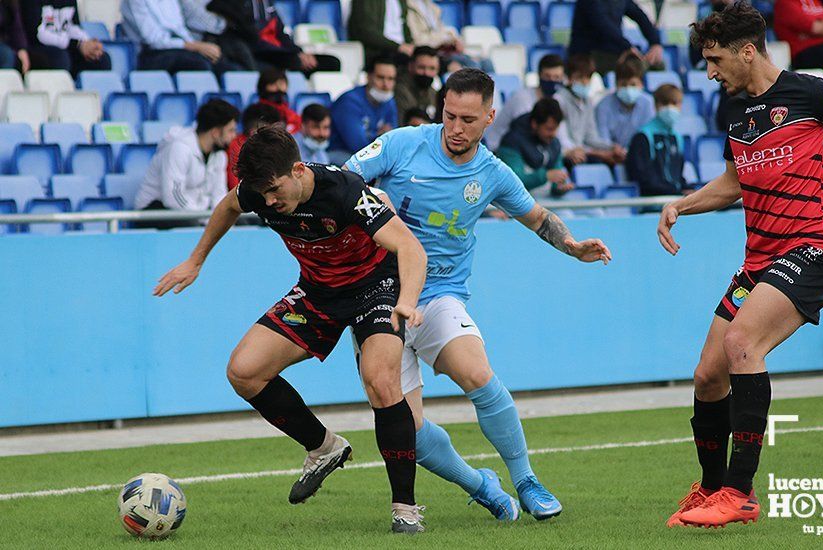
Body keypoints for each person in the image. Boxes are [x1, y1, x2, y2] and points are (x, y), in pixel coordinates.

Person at [659, 3, 823, 529]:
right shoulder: (739, 116)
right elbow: (734, 184)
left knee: (743, 343)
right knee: (707, 377)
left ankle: (739, 494)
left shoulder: (813, 92)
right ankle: (712, 489)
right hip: (760, 260)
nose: (710, 72)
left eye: (715, 59)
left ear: (747, 51)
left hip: (814, 249)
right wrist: (681, 205)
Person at [345, 68, 612, 522]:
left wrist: (570, 246)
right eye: (449, 116)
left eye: (468, 119)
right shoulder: (401, 143)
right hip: (377, 297)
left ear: (490, 117)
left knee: (478, 375)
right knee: (405, 429)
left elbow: (537, 216)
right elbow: (341, 180)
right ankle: (480, 484)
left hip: (438, 296)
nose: (455, 128)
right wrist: (372, 198)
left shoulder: (493, 173)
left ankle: (526, 480)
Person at [153, 124, 429, 534]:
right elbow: (228, 206)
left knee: (381, 381)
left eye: (274, 190)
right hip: (318, 293)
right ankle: (323, 447)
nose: (267, 202)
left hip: (376, 287)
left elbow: (409, 247)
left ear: (298, 170)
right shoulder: (258, 190)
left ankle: (405, 510)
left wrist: (406, 301)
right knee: (243, 372)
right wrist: (196, 260)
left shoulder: (347, 192)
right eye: (260, 193)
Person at [135, 99, 240, 228]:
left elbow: (219, 193)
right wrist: (205, 219)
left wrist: (222, 218)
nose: (234, 136)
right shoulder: (179, 149)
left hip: (196, 213)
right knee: (193, 226)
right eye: (231, 130)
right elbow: (173, 198)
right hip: (155, 211)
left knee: (240, 222)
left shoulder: (219, 155)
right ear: (216, 132)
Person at [200, 0, 340, 74]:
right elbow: (252, 37)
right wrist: (292, 55)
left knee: (332, 62)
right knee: (295, 61)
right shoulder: (237, 3)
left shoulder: (268, 4)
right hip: (257, 50)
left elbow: (280, 32)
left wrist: (299, 52)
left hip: (279, 50)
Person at [121, 0, 241, 75]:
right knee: (199, 65)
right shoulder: (135, 1)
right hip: (149, 54)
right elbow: (155, 41)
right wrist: (196, 47)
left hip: (182, 49)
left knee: (229, 68)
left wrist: (204, 49)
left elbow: (180, 29)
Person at [485, 54, 566, 152]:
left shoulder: (558, 100)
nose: (552, 81)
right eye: (548, 76)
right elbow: (524, 136)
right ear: (539, 76)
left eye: (557, 77)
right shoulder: (522, 98)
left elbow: (561, 134)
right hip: (498, 148)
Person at [555, 53, 623, 166]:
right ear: (569, 78)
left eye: (588, 78)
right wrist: (596, 153)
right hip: (567, 155)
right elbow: (563, 141)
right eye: (580, 78)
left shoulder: (587, 102)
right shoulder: (558, 100)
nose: (585, 82)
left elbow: (591, 137)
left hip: (583, 152)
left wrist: (611, 147)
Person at [496, 98, 574, 198]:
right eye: (549, 129)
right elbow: (514, 182)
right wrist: (545, 176)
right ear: (534, 124)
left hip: (548, 201)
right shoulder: (512, 142)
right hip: (518, 202)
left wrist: (560, 188)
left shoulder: (554, 144)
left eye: (556, 129)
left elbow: (556, 180)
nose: (553, 134)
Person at [329, 55, 399, 165]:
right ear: (368, 77)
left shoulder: (389, 101)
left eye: (390, 79)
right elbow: (357, 146)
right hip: (338, 154)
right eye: (380, 77)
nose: (386, 85)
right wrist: (378, 135)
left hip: (369, 154)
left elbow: (393, 140)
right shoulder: (349, 102)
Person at [626, 84, 692, 197]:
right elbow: (643, 179)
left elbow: (678, 176)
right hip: (653, 203)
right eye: (665, 103)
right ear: (656, 105)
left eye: (674, 103)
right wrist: (676, 192)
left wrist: (688, 190)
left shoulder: (677, 138)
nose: (670, 108)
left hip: (676, 199)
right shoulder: (643, 136)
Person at [568, 0, 663, 76]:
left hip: (614, 52)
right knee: (634, 66)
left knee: (657, 64)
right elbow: (602, 24)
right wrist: (627, 47)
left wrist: (655, 42)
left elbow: (640, 16)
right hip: (589, 54)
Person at [20, 0, 110, 75]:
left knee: (101, 60)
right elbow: (39, 35)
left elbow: (73, 26)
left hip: (66, 46)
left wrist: (87, 43)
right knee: (61, 58)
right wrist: (78, 44)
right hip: (37, 48)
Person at [405, 0, 491, 72]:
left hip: (445, 50)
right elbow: (418, 40)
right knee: (471, 64)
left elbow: (441, 31)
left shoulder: (430, 6)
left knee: (487, 62)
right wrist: (443, 39)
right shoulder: (408, 7)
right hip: (432, 53)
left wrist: (453, 40)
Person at [595, 55, 655, 149]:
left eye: (633, 84)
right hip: (611, 157)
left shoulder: (649, 104)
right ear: (615, 84)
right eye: (623, 84)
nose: (628, 88)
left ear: (642, 84)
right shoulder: (603, 106)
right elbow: (603, 140)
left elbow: (649, 137)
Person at [179, 0, 257, 71]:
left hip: (229, 39)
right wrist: (224, 22)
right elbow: (209, 24)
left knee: (247, 58)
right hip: (199, 44)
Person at [227, 102, 282, 190]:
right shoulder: (236, 147)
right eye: (271, 131)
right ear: (254, 131)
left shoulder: (269, 147)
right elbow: (235, 187)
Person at [348, 0, 414, 68]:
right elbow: (366, 32)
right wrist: (397, 47)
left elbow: (404, 24)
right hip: (380, 52)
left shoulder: (401, 2)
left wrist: (410, 43)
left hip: (402, 50)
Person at [395, 45, 439, 123]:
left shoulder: (433, 93)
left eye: (432, 68)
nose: (426, 73)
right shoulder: (399, 89)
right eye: (421, 67)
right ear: (410, 66)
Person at [257, 68, 301, 135]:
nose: (278, 88)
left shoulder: (290, 114)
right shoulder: (256, 112)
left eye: (281, 83)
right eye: (273, 84)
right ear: (263, 87)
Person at [0, 0, 29, 72]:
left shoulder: (8, 3)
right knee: (6, 54)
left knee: (8, 55)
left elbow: (15, 27)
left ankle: (4, 82)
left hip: (3, 44)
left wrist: (21, 48)